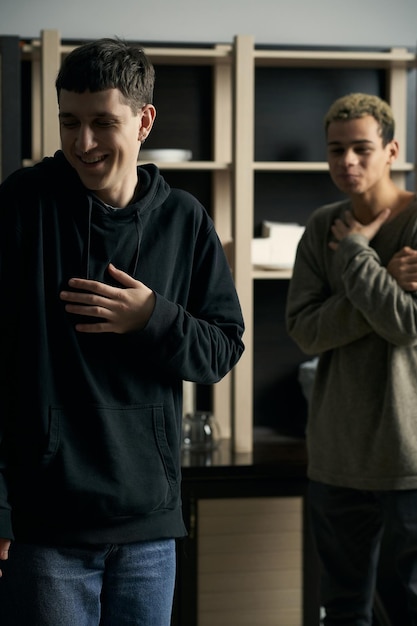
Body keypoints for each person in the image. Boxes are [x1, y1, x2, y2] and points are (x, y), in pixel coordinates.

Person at [0, 37, 244, 625]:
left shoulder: (185, 220)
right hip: (45, 528)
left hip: (149, 531)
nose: (83, 143)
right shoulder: (20, 207)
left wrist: (150, 317)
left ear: (144, 122)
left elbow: (221, 348)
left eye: (103, 123)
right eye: (70, 123)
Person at [285, 92, 417, 625]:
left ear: (391, 149)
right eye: (336, 150)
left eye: (361, 149)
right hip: (335, 457)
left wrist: (359, 256)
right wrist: (382, 282)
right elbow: (304, 331)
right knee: (342, 609)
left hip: (407, 457)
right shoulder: (323, 226)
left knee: (409, 605)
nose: (347, 162)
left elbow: (407, 326)